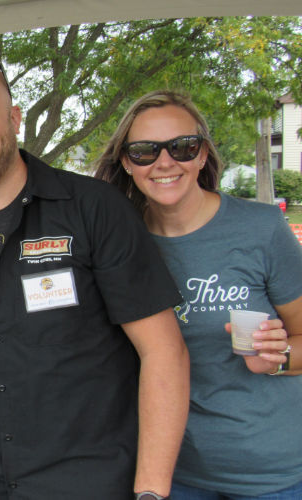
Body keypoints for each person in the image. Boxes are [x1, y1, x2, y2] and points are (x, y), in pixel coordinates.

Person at [0, 52, 191, 499]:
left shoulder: (94, 209)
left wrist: (151, 492)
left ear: (14, 118)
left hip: (94, 485)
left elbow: (164, 355)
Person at [95, 90, 302, 499]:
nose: (165, 162)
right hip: (172, 474)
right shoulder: (116, 244)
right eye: (144, 151)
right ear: (126, 162)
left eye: (183, 147)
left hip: (272, 476)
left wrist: (280, 360)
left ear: (204, 154)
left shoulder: (261, 229)